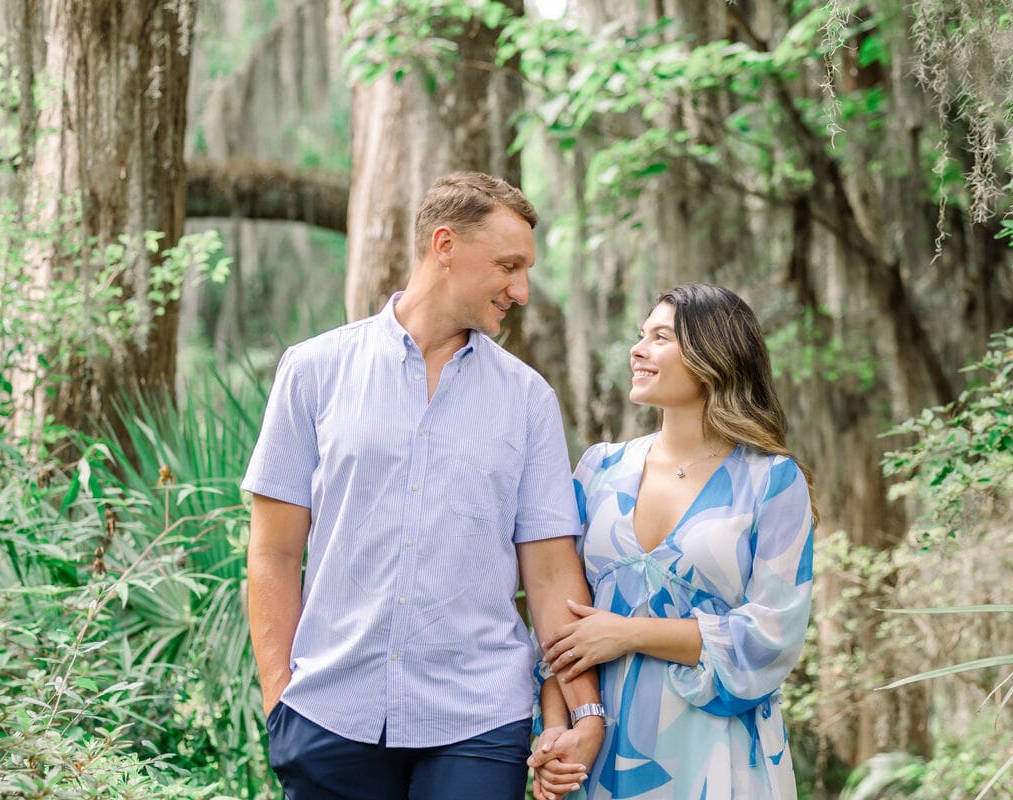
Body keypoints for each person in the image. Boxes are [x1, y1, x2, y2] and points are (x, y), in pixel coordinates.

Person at [242, 172, 604, 800]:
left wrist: (584, 713)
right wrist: (281, 702)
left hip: (480, 718)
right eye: (508, 266)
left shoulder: (528, 401)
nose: (520, 290)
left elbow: (549, 577)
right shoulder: (314, 372)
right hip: (331, 713)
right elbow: (274, 552)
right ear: (444, 245)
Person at [528, 283, 815, 800]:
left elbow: (772, 635)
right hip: (599, 742)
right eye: (641, 335)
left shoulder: (772, 480)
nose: (638, 350)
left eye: (660, 337)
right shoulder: (598, 468)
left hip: (714, 750)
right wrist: (556, 728)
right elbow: (558, 619)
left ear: (715, 354)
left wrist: (630, 633)